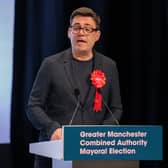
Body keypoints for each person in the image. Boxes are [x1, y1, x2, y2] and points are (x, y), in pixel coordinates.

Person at [26, 7, 123, 168]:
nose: (81, 33)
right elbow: (33, 106)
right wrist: (52, 129)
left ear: (96, 35)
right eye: (76, 27)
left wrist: (102, 134)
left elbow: (116, 108)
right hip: (55, 151)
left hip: (93, 154)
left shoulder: (109, 66)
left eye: (87, 28)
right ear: (69, 32)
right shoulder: (51, 64)